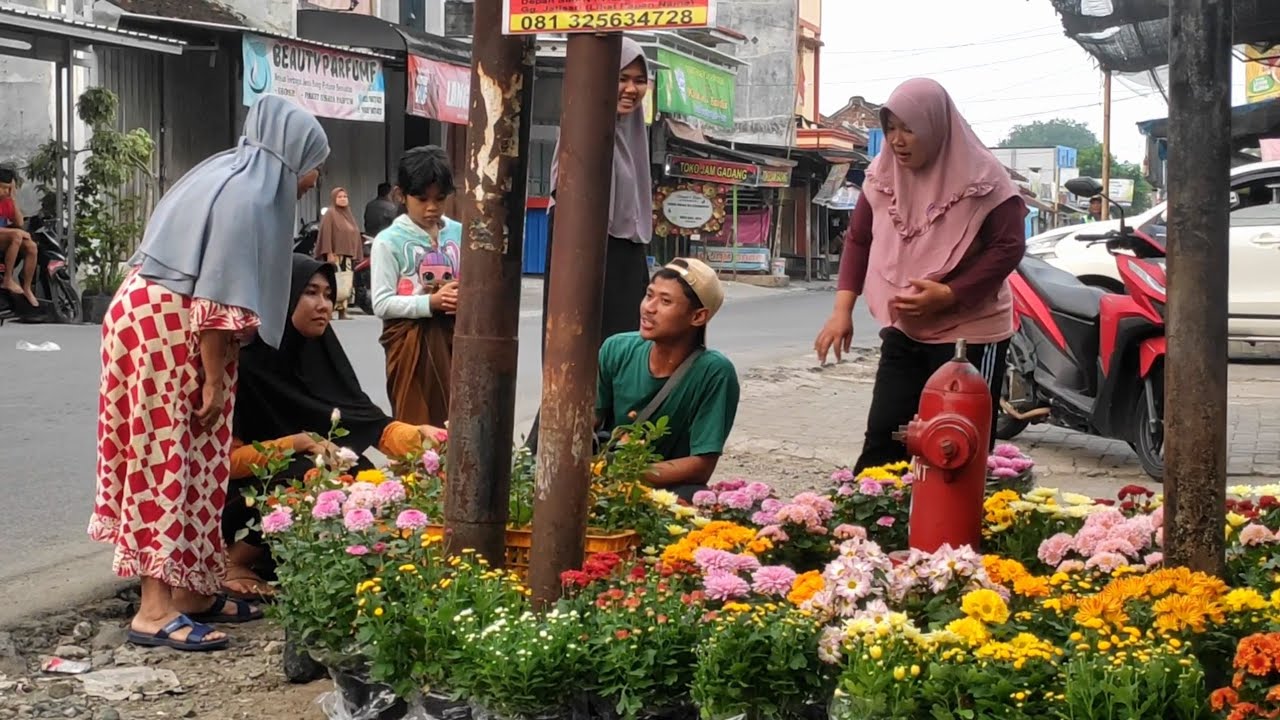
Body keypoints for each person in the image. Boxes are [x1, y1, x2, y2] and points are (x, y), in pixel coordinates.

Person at [89, 95, 329, 652]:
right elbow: (217, 300)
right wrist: (214, 380)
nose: (315, 179)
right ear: (291, 157)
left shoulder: (222, 173)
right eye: (314, 164)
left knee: (199, 459)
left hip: (152, 320)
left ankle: (193, 592)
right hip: (169, 332)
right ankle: (154, 610)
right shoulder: (247, 197)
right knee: (165, 459)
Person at [814, 78, 1026, 474]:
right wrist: (842, 311)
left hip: (970, 335)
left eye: (909, 129)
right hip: (905, 326)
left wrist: (949, 294)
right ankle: (872, 512)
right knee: (884, 440)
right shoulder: (881, 174)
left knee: (958, 449)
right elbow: (859, 239)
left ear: (936, 127)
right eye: (890, 128)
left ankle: (953, 518)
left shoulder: (985, 177)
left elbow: (1008, 247)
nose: (897, 140)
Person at [224, 254, 443, 599]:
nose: (323, 305)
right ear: (283, 297)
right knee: (310, 474)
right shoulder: (246, 367)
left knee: (361, 472)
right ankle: (233, 563)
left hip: (289, 503)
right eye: (310, 292)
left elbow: (372, 426)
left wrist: (423, 441)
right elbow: (228, 463)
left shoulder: (324, 356)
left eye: (328, 295)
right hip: (243, 496)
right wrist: (299, 442)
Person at [528, 36, 654, 448]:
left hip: (625, 267)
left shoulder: (633, 140)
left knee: (622, 368)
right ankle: (550, 459)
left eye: (639, 80)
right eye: (621, 78)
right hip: (585, 270)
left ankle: (604, 460)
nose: (631, 89)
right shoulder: (582, 135)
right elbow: (570, 213)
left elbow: (634, 220)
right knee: (579, 372)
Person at [597, 258, 739, 502]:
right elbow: (588, 420)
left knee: (695, 496)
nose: (648, 308)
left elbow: (701, 465)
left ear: (698, 316)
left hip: (666, 492)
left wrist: (626, 473)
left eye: (665, 301)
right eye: (648, 295)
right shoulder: (616, 349)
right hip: (605, 482)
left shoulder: (714, 372)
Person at [370, 146, 461, 427]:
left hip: (456, 340)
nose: (432, 207)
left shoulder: (459, 233)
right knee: (417, 426)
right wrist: (430, 303)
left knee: (459, 415)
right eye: (422, 199)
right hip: (410, 347)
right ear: (401, 195)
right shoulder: (388, 241)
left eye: (440, 199)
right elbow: (381, 303)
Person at [314, 187, 364, 320]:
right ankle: (330, 311)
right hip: (336, 255)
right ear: (334, 199)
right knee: (334, 283)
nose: (343, 199)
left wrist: (355, 252)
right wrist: (329, 252)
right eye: (340, 197)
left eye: (345, 197)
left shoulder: (348, 215)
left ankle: (343, 312)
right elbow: (326, 234)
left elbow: (354, 234)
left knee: (346, 283)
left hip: (347, 257)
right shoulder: (330, 213)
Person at [0, 166, 38, 307]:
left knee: (31, 246)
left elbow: (19, 222)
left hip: (3, 238)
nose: (6, 191)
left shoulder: (6, 201)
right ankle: (7, 279)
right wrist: (18, 233)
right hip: (5, 236)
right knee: (17, 235)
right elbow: (17, 231)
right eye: (3, 188)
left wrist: (13, 198)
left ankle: (27, 288)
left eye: (9, 188)